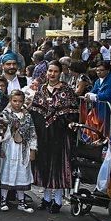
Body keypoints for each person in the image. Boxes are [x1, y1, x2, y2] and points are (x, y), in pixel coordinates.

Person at [29, 60, 79, 213]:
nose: (52, 74)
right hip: (43, 135)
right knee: (44, 165)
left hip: (61, 135)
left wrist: (68, 123)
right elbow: (35, 111)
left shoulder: (66, 90)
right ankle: (46, 199)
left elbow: (73, 112)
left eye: (55, 71)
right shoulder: (42, 89)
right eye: (50, 71)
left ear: (60, 72)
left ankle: (57, 201)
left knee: (58, 167)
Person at [0, 90, 37, 213]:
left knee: (22, 173)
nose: (17, 104)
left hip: (22, 149)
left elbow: (32, 134)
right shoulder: (4, 115)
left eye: (20, 101)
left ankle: (21, 201)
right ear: (10, 101)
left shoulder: (27, 116)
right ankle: (3, 199)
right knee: (6, 171)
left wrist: (32, 150)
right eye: (14, 101)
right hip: (9, 147)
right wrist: (0, 147)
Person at [85, 61, 111, 126]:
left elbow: (108, 95)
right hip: (101, 110)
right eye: (97, 70)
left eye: (101, 70)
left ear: (108, 70)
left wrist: (94, 97)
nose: (98, 72)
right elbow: (94, 90)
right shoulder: (98, 80)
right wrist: (88, 94)